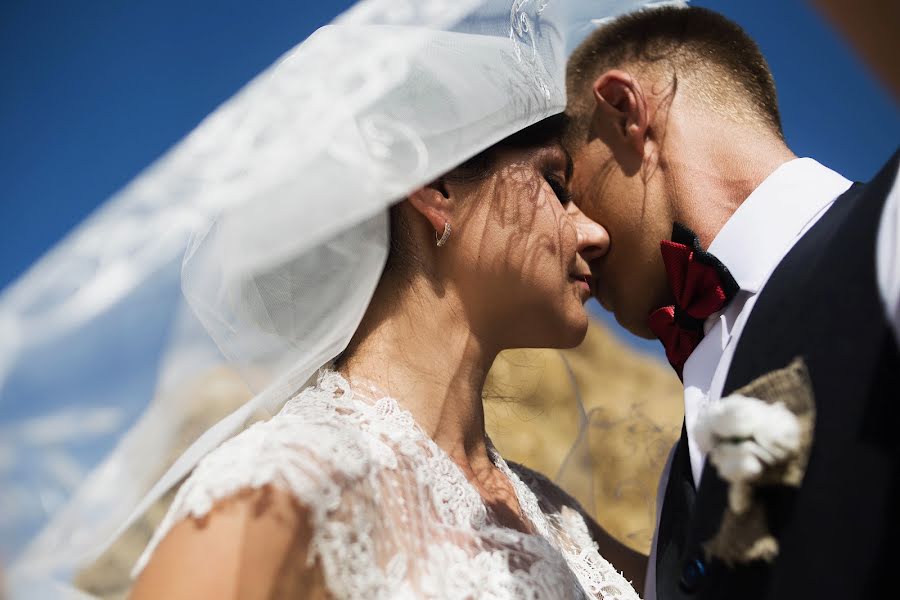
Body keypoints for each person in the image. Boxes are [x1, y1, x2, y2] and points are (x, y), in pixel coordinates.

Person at [564, 5, 898, 600]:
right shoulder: (678, 480)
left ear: (625, 113)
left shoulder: (889, 233)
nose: (571, 234)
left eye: (568, 187)